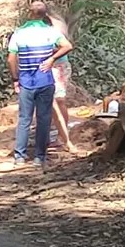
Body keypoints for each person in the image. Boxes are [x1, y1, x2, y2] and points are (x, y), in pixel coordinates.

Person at [7, 1, 74, 167]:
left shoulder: (19, 33)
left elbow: (11, 58)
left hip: (26, 81)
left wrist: (15, 79)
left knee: (24, 119)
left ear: (29, 14)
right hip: (45, 81)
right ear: (45, 15)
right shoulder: (51, 32)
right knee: (44, 118)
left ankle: (20, 157)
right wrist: (52, 59)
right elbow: (68, 46)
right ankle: (39, 157)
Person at [47, 12, 77, 153]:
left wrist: (49, 54)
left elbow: (65, 46)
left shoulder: (55, 26)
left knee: (59, 100)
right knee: (49, 102)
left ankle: (63, 137)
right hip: (47, 66)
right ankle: (54, 135)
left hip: (58, 66)